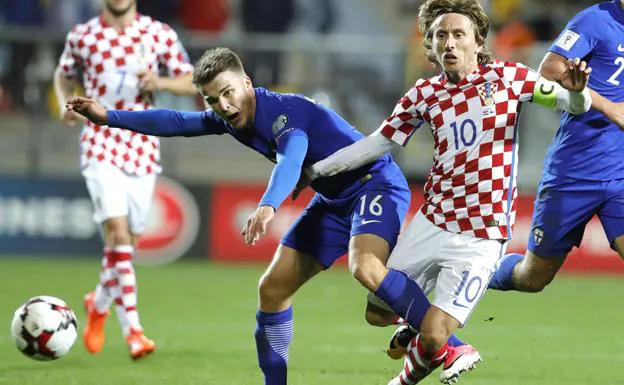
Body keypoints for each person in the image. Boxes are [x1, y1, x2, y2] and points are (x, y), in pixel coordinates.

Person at [66, 47, 479, 385]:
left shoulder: (281, 112)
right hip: (333, 199)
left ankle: (451, 343)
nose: (223, 106)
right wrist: (110, 117)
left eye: (228, 92)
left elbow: (292, 154)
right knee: (272, 290)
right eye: (213, 99)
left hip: (376, 184)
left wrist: (269, 203)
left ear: (247, 83)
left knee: (365, 266)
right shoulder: (230, 119)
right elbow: (176, 120)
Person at [294, 0, 592, 383]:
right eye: (439, 36)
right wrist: (318, 170)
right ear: (430, 46)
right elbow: (377, 144)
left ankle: (414, 365)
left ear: (478, 40)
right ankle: (420, 330)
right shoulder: (423, 93)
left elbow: (573, 105)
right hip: (433, 221)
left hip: (481, 235)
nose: (448, 43)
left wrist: (580, 93)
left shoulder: (510, 78)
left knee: (435, 335)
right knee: (377, 313)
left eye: (457, 34)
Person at [53, 0, 196, 360]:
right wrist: (64, 103)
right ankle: (133, 331)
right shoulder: (83, 35)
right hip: (100, 140)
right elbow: (63, 75)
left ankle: (98, 302)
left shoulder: (158, 33)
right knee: (117, 233)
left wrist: (159, 81)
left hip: (142, 141)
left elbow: (191, 80)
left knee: (127, 243)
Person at [489, 1, 624, 293]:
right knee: (533, 277)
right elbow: (549, 70)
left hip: (621, 173)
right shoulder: (595, 21)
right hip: (575, 170)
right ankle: (472, 271)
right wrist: (610, 107)